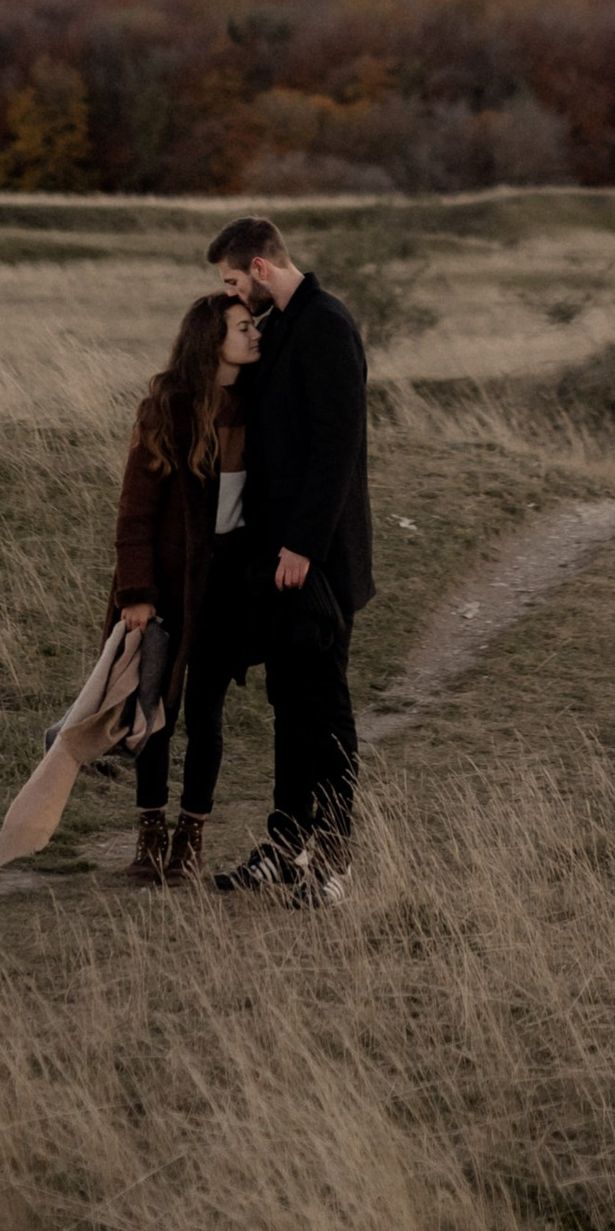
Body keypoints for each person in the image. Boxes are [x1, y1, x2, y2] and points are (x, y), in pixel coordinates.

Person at [203, 214, 371, 904]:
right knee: (287, 704)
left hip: (319, 558)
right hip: (278, 559)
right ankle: (283, 843)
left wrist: (302, 544)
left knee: (324, 707)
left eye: (234, 280)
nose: (234, 295)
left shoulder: (328, 325)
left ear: (262, 269)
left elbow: (337, 447)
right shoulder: (276, 330)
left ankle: (334, 863)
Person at [109, 287, 262, 885]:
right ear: (212, 339)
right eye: (243, 327)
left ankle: (190, 835)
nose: (254, 335)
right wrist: (136, 592)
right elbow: (135, 511)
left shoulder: (258, 403)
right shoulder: (168, 409)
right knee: (155, 709)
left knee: (207, 713)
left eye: (254, 325)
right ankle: (150, 832)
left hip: (228, 588)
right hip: (169, 588)